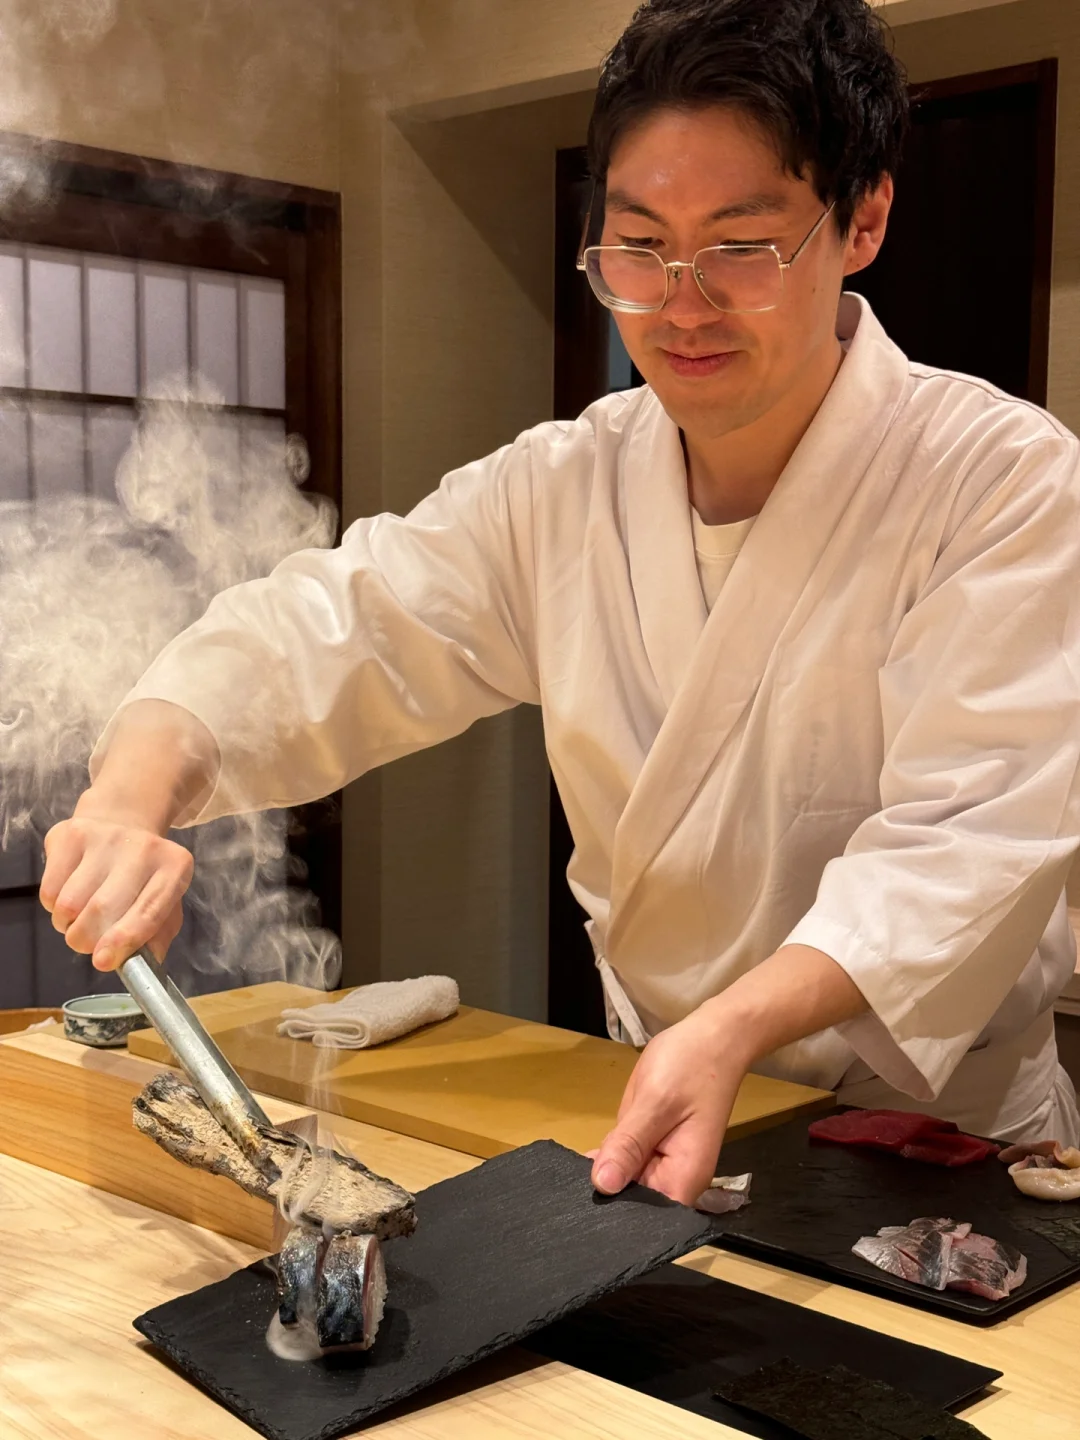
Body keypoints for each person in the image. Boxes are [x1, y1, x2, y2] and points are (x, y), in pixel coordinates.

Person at [41, 0, 1080, 1209]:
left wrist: (732, 1026)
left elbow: (971, 841)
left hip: (929, 1139)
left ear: (863, 220)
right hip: (655, 1100)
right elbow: (323, 634)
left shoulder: (1000, 478)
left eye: (740, 248)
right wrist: (129, 801)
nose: (677, 305)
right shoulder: (560, 484)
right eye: (636, 247)